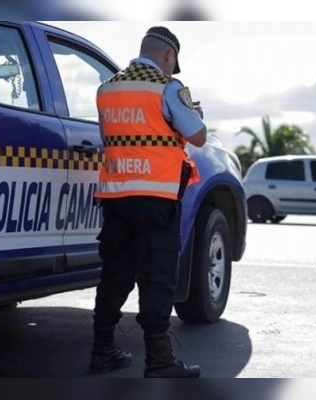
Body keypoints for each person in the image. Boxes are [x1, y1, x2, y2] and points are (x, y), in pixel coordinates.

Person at [89, 26, 207, 378]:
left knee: (115, 275)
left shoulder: (106, 89)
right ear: (168, 56)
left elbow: (109, 137)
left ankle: (102, 350)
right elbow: (197, 136)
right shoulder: (167, 88)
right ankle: (159, 362)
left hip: (116, 196)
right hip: (156, 198)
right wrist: (193, 112)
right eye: (172, 63)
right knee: (157, 277)